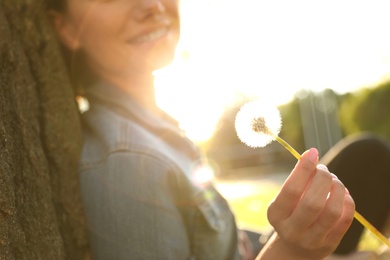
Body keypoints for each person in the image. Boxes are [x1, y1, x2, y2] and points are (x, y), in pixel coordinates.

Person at [45, 0, 388, 259]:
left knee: (368, 158)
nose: (151, 5)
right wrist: (291, 251)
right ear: (66, 28)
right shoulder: (127, 164)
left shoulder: (156, 130)